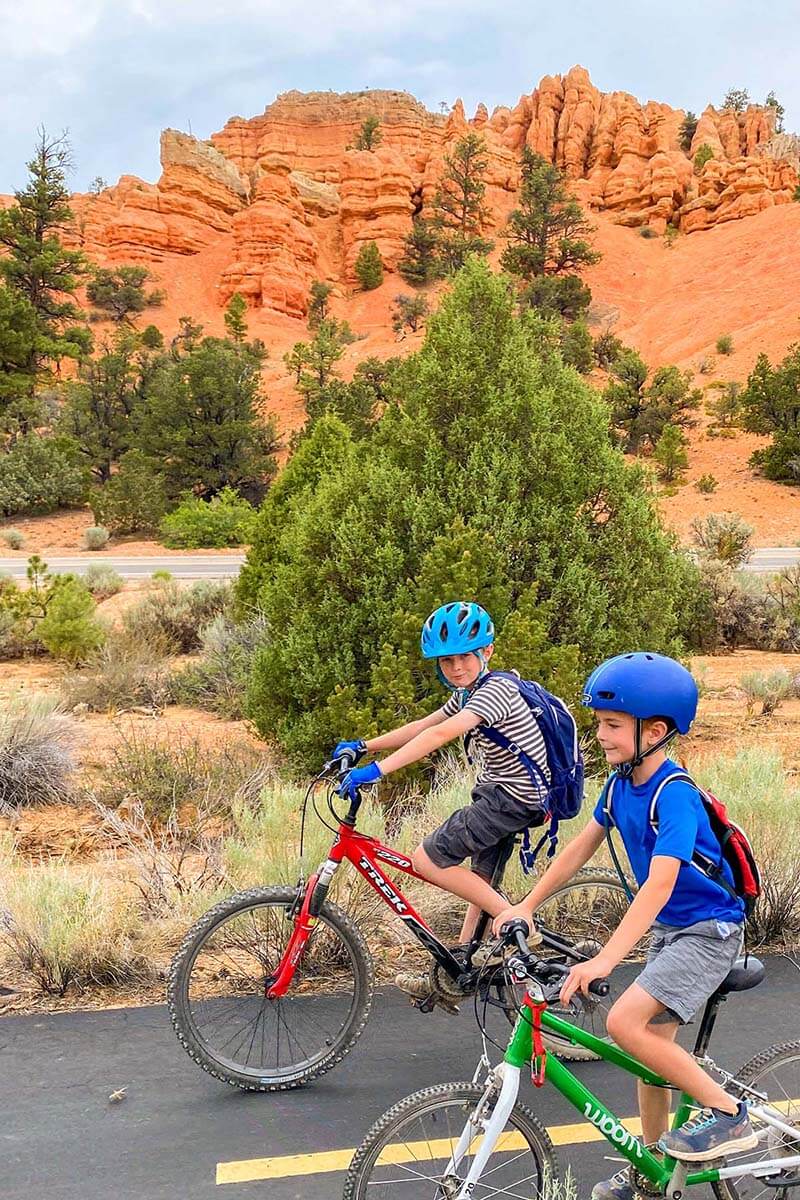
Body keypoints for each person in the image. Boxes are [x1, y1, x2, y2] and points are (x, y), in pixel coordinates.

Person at [494, 651, 756, 1194]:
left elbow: (660, 884)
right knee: (647, 1055)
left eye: (613, 725)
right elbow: (577, 852)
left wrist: (604, 959)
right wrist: (525, 905)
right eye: (599, 723)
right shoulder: (619, 786)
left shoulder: (674, 795)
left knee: (624, 1025)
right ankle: (654, 1174)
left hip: (710, 931)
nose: (602, 735)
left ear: (655, 731)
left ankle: (731, 1112)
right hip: (673, 931)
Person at [334, 600, 552, 1004]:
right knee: (479, 883)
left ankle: (519, 921)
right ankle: (460, 970)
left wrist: (376, 772)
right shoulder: (470, 691)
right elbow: (425, 725)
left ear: (486, 651)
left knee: (427, 860)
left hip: (511, 799)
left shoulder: (495, 692)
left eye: (463, 658)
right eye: (445, 661)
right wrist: (364, 746)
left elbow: (439, 736)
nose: (454, 668)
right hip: (501, 794)